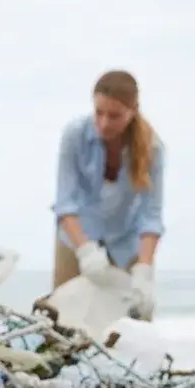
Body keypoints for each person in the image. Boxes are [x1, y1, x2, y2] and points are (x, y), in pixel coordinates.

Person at [51, 70, 165, 321]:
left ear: (133, 110)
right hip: (77, 238)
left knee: (136, 319)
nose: (104, 123)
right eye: (99, 113)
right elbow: (65, 202)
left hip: (127, 241)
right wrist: (85, 250)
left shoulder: (153, 148)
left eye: (114, 116)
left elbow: (151, 215)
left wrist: (144, 268)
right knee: (63, 319)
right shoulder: (74, 136)